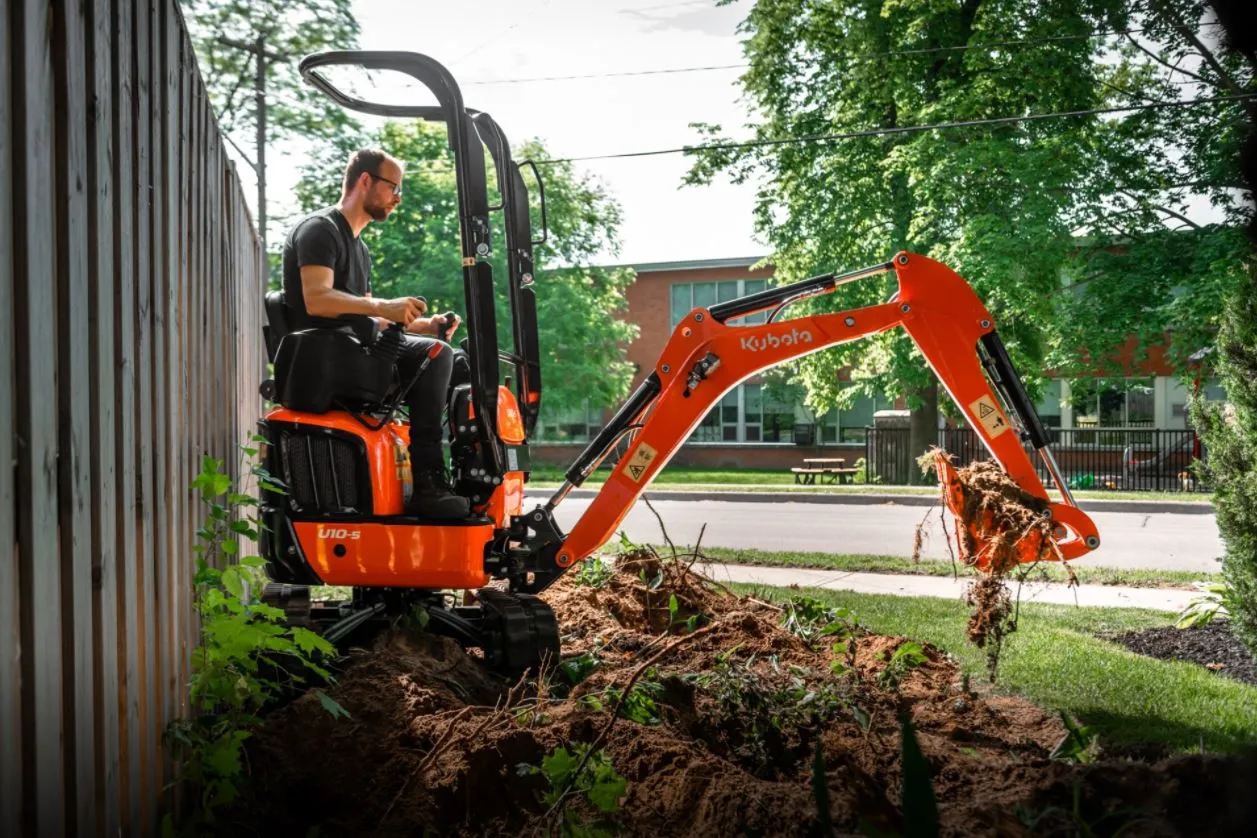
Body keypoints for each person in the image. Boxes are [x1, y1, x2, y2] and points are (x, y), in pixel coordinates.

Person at [280, 148, 470, 520]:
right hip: (327, 360)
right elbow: (317, 299)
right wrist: (385, 306)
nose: (398, 198)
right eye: (394, 188)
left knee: (459, 360)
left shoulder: (360, 249)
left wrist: (425, 326)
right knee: (436, 356)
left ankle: (460, 475)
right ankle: (428, 484)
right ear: (365, 181)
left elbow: (370, 317)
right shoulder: (320, 230)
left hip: (356, 350)